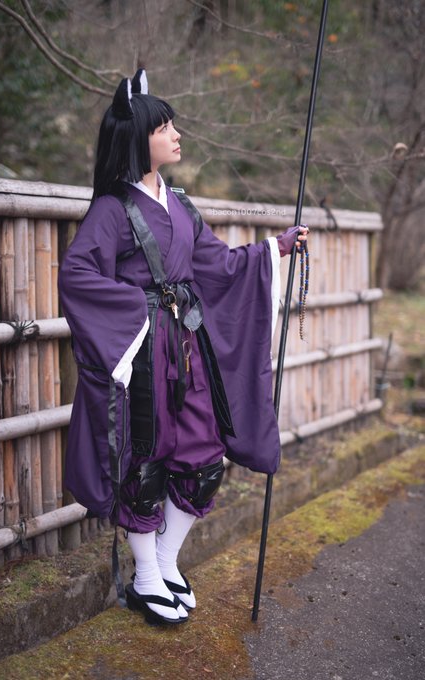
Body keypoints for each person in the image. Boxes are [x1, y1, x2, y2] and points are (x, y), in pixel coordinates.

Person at [58, 69, 308, 626]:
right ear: (137, 138)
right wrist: (136, 312)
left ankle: (167, 559)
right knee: (145, 462)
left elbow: (218, 266)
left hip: (188, 351)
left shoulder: (180, 205)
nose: (176, 135)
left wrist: (275, 249)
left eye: (173, 125)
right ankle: (147, 575)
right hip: (144, 354)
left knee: (203, 456)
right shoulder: (111, 210)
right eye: (164, 127)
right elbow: (77, 275)